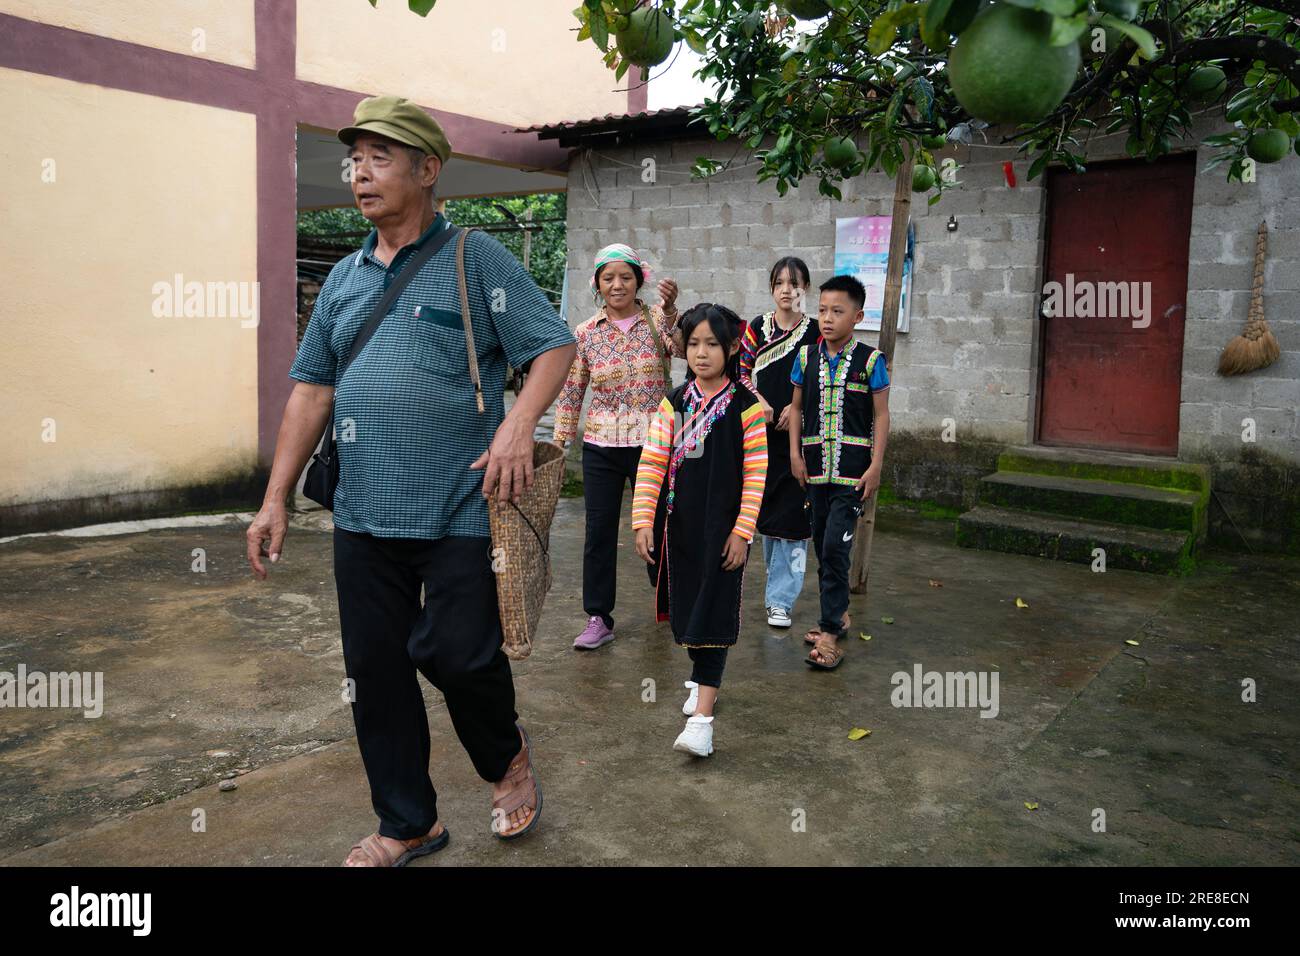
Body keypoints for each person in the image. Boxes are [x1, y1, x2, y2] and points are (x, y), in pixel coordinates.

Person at [244, 95, 576, 865]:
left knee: (458, 654)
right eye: (354, 160)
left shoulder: (474, 257)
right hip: (362, 514)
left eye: (379, 158)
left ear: (428, 171)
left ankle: (506, 756)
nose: (360, 173)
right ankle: (408, 822)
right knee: (377, 676)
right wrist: (274, 499)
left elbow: (553, 347)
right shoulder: (343, 280)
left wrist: (518, 423)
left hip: (464, 506)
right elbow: (312, 390)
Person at [631, 304, 768, 756]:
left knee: (713, 612)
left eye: (712, 344)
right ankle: (700, 676)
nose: (702, 353)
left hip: (722, 532)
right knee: (689, 611)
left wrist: (742, 532)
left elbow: (755, 474)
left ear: (731, 348)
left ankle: (703, 723)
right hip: (679, 530)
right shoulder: (675, 401)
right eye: (693, 344)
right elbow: (652, 462)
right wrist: (642, 520)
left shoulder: (747, 407)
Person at [553, 244, 681, 651]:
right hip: (602, 445)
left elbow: (683, 349)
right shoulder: (586, 333)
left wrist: (673, 309)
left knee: (659, 525)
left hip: (653, 444)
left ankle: (669, 600)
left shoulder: (657, 319)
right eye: (608, 278)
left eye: (625, 276)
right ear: (598, 284)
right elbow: (573, 391)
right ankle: (598, 617)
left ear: (639, 281)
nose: (617, 285)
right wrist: (559, 442)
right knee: (600, 532)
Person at [789, 275, 891, 671]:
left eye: (838, 311)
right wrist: (795, 455)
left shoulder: (871, 362)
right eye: (822, 310)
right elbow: (796, 408)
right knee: (822, 543)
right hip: (814, 473)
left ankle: (830, 631)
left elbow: (882, 415)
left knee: (835, 547)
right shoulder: (805, 358)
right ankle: (840, 614)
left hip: (853, 476)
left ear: (858, 315)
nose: (827, 319)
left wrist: (876, 465)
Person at [738, 257, 821, 630]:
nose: (787, 290)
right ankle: (775, 591)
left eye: (795, 283)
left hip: (799, 438)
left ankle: (780, 601)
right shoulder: (758, 328)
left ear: (806, 288)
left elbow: (822, 377)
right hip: (760, 433)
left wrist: (795, 406)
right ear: (772, 288)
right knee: (766, 513)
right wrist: (760, 401)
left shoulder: (816, 332)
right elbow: (740, 372)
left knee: (792, 515)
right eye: (780, 283)